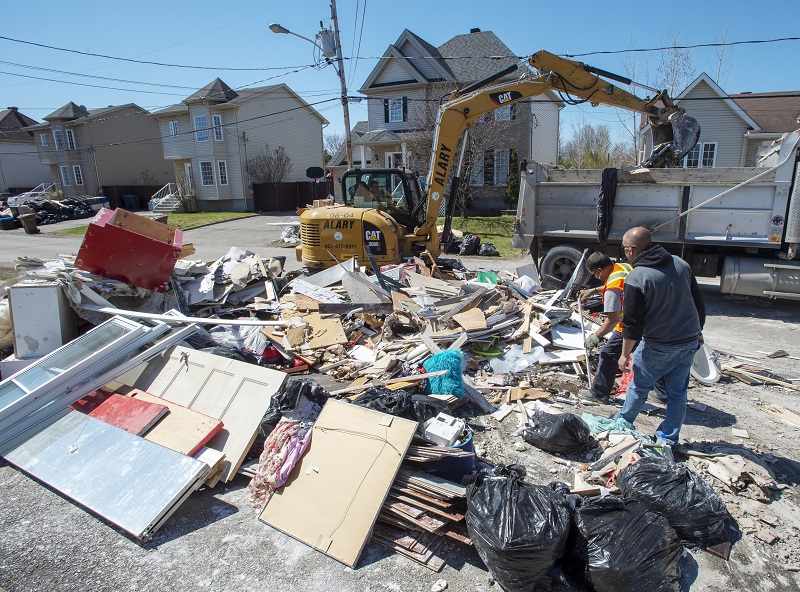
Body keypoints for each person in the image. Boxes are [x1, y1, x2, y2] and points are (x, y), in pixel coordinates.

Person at [615, 227, 705, 445]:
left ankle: (622, 425)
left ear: (630, 250)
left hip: (659, 345)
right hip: (688, 341)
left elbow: (632, 323)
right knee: (677, 393)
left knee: (640, 388)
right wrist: (698, 331)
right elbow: (698, 304)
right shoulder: (680, 263)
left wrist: (625, 355)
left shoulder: (637, 277)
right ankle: (668, 439)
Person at [577, 252, 633, 402]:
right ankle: (661, 392)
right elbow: (616, 285)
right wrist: (594, 290)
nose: (595, 277)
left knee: (608, 354)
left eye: (594, 274)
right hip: (647, 320)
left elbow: (612, 320)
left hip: (629, 325)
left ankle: (599, 393)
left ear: (600, 270)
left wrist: (596, 336)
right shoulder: (623, 267)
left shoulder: (612, 289)